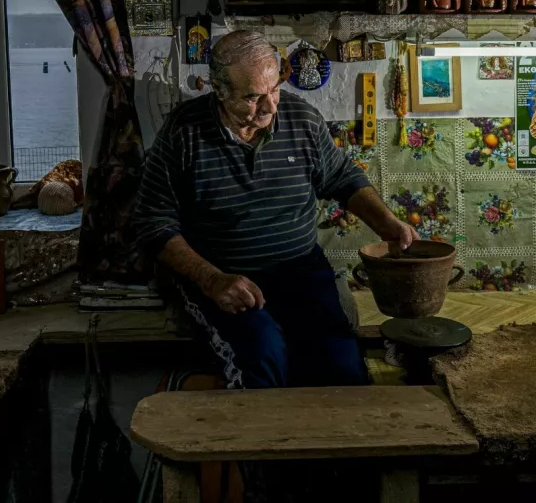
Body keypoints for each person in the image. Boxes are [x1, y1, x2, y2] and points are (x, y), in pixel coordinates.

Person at [132, 30, 418, 390]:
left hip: (300, 269)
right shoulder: (183, 133)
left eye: (274, 90)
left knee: (342, 369)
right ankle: (186, 389)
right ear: (219, 91)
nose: (269, 107)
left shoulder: (301, 119)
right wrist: (212, 279)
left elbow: (342, 178)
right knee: (263, 360)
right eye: (252, 97)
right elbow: (152, 223)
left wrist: (387, 223)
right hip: (224, 276)